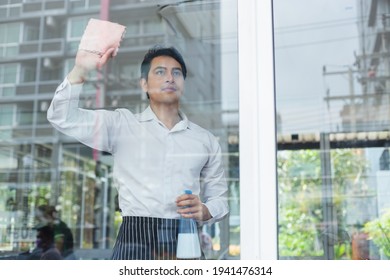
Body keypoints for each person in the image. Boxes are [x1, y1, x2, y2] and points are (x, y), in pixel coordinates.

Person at [47, 43, 229, 260]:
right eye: (160, 72)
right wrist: (81, 69)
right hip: (134, 241)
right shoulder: (121, 125)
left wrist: (206, 210)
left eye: (176, 72)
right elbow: (62, 117)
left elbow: (219, 198)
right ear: (144, 84)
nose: (170, 78)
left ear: (183, 83)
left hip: (186, 238)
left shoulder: (205, 140)